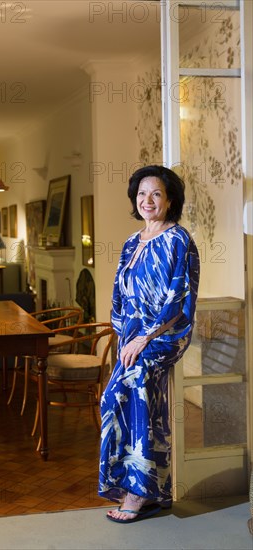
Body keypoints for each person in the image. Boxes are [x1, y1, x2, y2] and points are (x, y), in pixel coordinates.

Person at [99, 164, 200, 524]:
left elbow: (178, 300)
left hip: (164, 335)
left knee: (128, 392)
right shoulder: (131, 241)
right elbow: (119, 293)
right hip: (133, 336)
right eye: (141, 194)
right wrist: (124, 333)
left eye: (156, 193)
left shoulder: (179, 240)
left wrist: (146, 337)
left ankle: (136, 494)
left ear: (170, 199)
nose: (147, 200)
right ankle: (157, 492)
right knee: (141, 404)